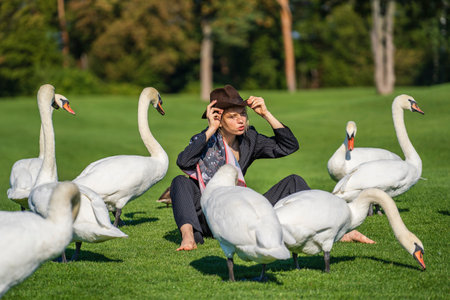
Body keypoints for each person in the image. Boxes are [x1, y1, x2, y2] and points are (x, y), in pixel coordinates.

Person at [170, 85, 373, 251]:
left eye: (242, 113)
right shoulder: (203, 139)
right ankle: (188, 237)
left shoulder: (250, 140)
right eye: (232, 116)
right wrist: (210, 129)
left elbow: (288, 146)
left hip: (241, 212)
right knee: (180, 182)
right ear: (218, 118)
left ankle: (333, 230)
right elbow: (184, 162)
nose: (240, 120)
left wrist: (266, 114)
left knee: (294, 181)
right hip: (210, 217)